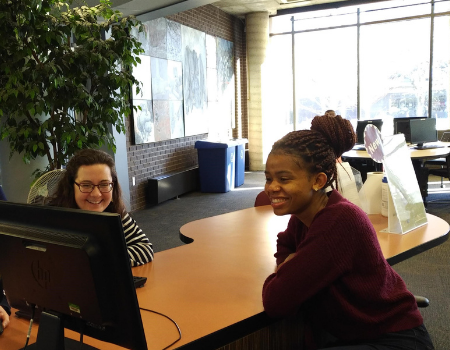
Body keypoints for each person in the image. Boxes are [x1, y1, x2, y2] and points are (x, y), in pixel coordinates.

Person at [261, 115, 434, 349]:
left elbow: (276, 300)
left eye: (284, 179)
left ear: (318, 180)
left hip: (392, 338)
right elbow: (285, 244)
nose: (271, 187)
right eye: (268, 178)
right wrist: (290, 265)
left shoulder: (339, 221)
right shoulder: (306, 215)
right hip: (352, 333)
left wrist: (289, 270)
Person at [49, 149, 154, 267]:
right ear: (70, 187)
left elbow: (145, 248)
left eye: (104, 184)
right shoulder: (52, 218)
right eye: (86, 185)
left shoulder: (114, 211)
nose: (96, 194)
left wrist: (101, 260)